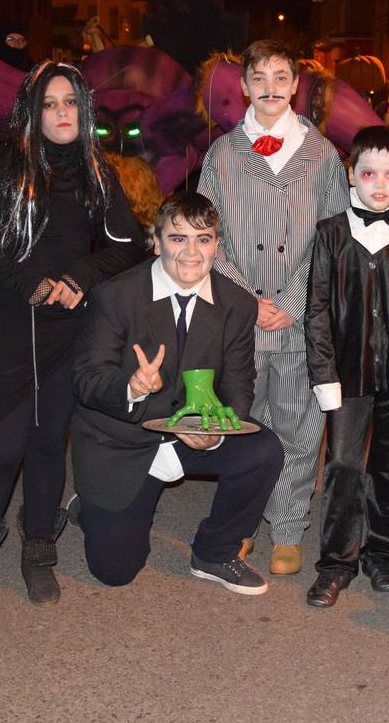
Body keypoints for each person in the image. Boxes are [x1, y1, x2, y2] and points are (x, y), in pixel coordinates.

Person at [0, 61, 143, 619]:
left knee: (47, 442)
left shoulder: (97, 172)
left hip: (67, 332)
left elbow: (127, 243)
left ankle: (39, 550)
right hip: (8, 326)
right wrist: (27, 280)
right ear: (32, 112)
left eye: (71, 103)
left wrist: (80, 278)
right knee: (4, 444)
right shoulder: (3, 165)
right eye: (50, 103)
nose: (62, 113)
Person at [67, 192, 283, 594]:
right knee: (115, 571)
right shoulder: (115, 296)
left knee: (263, 450)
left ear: (217, 245)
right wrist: (129, 386)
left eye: (203, 239)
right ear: (157, 241)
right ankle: (90, 507)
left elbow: (238, 384)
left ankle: (215, 553)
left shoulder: (236, 302)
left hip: (188, 427)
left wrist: (215, 430)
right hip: (122, 439)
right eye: (177, 238)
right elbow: (86, 378)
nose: (191, 252)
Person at [197, 38, 349, 575]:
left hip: (301, 318)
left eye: (280, 78)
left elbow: (333, 236)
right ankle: (241, 525)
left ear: (295, 85)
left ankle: (288, 528)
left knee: (301, 425)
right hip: (242, 317)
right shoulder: (222, 154)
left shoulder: (322, 155)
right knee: (244, 423)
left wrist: (288, 299)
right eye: (258, 78)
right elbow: (207, 235)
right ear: (243, 86)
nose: (269, 89)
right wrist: (249, 299)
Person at [304, 126, 389, 607]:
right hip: (347, 377)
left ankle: (380, 553)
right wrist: (323, 373)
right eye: (369, 172)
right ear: (351, 174)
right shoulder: (331, 233)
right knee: (343, 466)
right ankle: (336, 562)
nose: (379, 183)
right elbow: (316, 309)